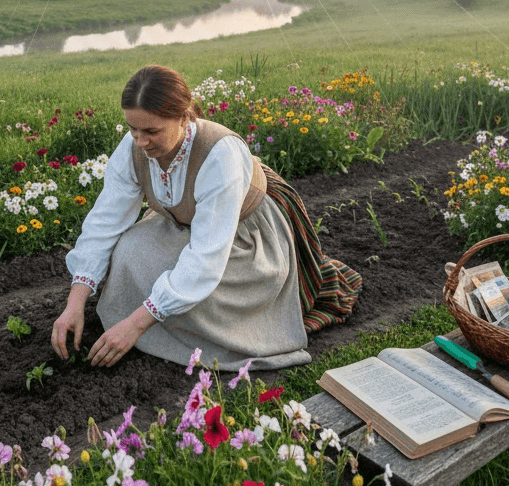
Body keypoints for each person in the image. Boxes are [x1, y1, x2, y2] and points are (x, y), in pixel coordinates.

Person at [51, 65, 362, 371]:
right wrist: (74, 303)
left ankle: (189, 324)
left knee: (204, 297)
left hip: (245, 232)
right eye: (133, 129)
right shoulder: (134, 149)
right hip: (183, 224)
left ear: (184, 117)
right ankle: (159, 315)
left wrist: (134, 325)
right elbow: (105, 222)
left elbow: (206, 258)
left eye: (151, 131)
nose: (140, 141)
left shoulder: (219, 154)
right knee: (128, 252)